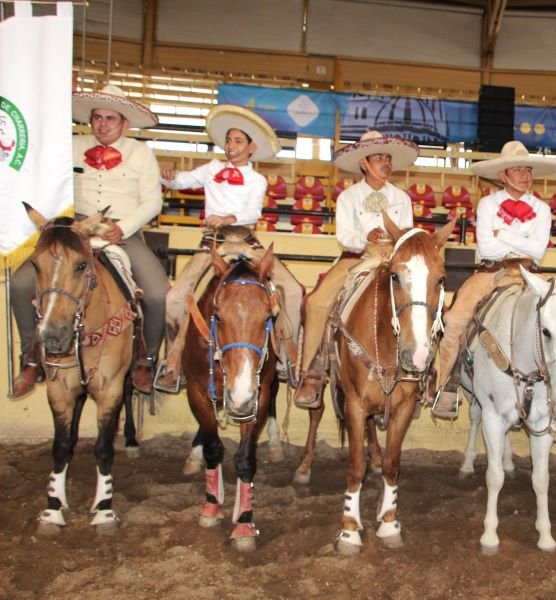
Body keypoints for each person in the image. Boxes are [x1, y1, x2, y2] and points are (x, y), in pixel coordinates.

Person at [9, 84, 167, 397]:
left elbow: (152, 201)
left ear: (124, 122)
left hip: (121, 231)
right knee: (20, 283)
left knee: (158, 294)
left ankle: (146, 361)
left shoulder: (141, 153)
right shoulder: (70, 146)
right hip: (73, 230)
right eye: (97, 117)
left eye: (110, 118)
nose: (102, 124)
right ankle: (31, 356)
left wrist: (122, 227)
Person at [153, 105, 304, 393]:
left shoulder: (257, 180)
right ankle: (173, 363)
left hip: (246, 240)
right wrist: (168, 177)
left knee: (293, 290)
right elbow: (182, 181)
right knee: (175, 297)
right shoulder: (211, 168)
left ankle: (288, 358)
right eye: (229, 140)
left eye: (238, 141)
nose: (231, 146)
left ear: (251, 147)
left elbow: (252, 213)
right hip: (213, 241)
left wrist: (227, 218)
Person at [428, 140, 556, 420]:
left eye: (528, 170)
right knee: (455, 321)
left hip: (530, 273)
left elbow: (538, 251)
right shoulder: (488, 204)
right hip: (491, 272)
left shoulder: (542, 208)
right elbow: (488, 249)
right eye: (517, 170)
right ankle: (447, 384)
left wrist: (504, 235)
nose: (525, 175)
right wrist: (523, 240)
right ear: (503, 175)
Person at [292, 130, 418, 408]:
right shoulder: (348, 197)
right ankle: (312, 371)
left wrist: (396, 240)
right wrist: (365, 237)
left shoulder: (401, 197)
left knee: (423, 300)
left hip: (393, 258)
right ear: (364, 163)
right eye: (379, 158)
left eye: (388, 158)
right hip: (357, 257)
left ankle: (423, 371)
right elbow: (344, 237)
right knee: (316, 302)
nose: (386, 163)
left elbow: (408, 234)